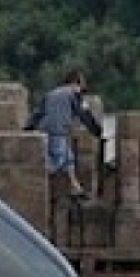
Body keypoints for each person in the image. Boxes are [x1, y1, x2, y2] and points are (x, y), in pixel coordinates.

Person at [24, 68, 102, 198]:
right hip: (58, 131)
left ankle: (75, 187)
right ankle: (33, 177)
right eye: (81, 85)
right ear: (75, 83)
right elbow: (85, 115)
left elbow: (38, 113)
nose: (82, 89)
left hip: (44, 130)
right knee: (57, 162)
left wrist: (28, 129)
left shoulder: (51, 93)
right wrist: (96, 131)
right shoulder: (75, 95)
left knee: (68, 159)